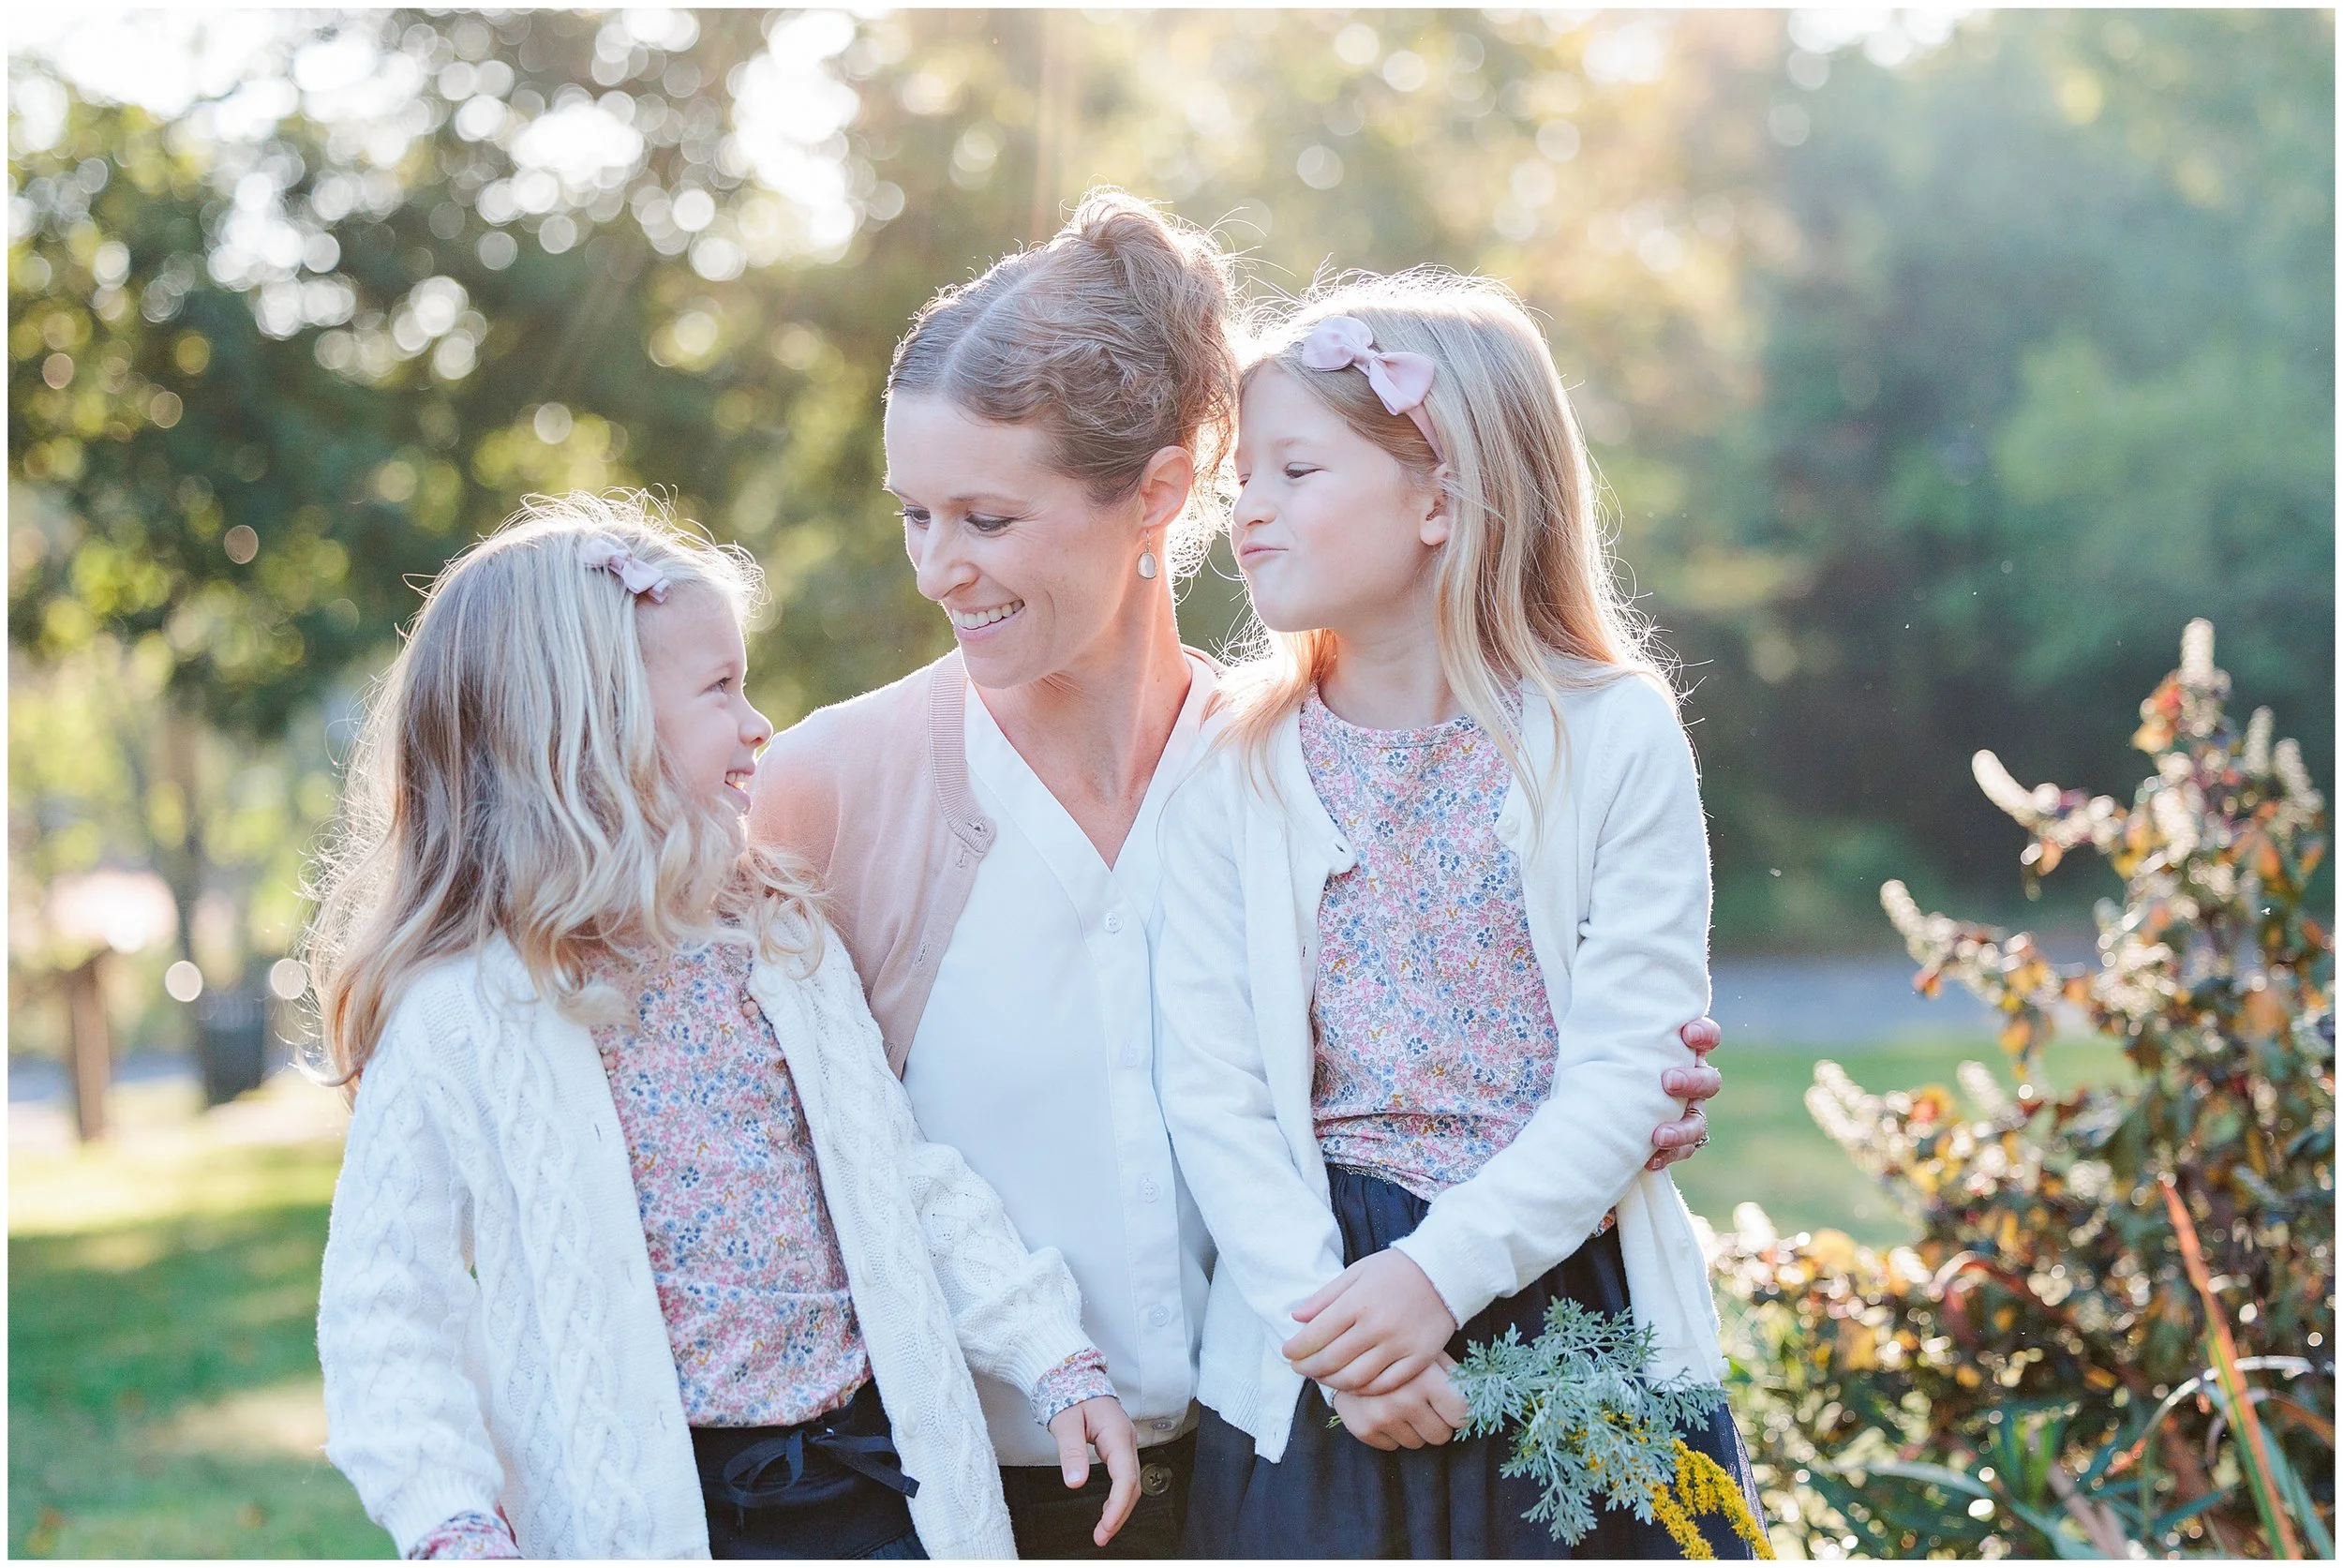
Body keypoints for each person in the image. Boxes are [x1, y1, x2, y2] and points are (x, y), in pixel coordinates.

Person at [751, 189, 1730, 1559]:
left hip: (1327, 1408)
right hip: (1010, 1466)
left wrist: (1614, 1110)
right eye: (916, 515)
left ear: (1155, 493)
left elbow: (1586, 1044)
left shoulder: (1250, 752)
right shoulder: (839, 783)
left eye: (984, 514)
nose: (938, 568)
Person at [308, 495, 1140, 1561]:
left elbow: (901, 1175)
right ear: (588, 728)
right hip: (653, 1515)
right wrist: (449, 1521)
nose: (760, 725)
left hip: (874, 1486)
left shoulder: (775, 942)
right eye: (720, 690)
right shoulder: (460, 1011)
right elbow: (386, 1305)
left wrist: (1049, 1348)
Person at [1156, 275, 1764, 1557]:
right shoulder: (1230, 764)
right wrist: (1345, 1338)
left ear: (1440, 496)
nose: (1246, 511)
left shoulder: (1612, 736)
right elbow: (1210, 1089)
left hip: (1564, 1292)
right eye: (1241, 479)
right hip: (1319, 1318)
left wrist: (1436, 1276)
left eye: (1294, 470)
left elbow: (1632, 1067)